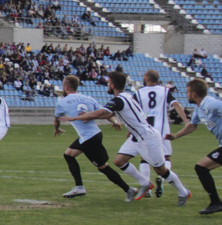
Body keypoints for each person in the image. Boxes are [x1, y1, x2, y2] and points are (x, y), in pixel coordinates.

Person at [61, 70, 191, 206]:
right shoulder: (126, 96)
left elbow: (101, 113)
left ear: (112, 85)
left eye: (108, 83)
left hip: (148, 137)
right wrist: (89, 114)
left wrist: (75, 117)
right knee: (119, 161)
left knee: (160, 170)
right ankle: (145, 183)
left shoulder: (119, 100)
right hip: (137, 136)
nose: (107, 85)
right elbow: (106, 114)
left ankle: (183, 192)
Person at [53, 75, 136, 200]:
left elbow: (56, 120)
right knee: (69, 155)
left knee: (103, 167)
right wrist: (114, 121)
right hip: (93, 135)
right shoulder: (88, 98)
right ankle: (79, 187)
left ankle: (128, 190)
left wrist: (57, 129)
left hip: (89, 139)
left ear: (65, 87)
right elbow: (104, 111)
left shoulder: (62, 102)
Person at [168, 79, 222, 215]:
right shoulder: (199, 108)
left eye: (188, 92)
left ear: (194, 93)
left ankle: (215, 203)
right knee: (201, 168)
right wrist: (175, 136)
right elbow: (192, 126)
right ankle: (215, 202)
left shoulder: (211, 104)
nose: (187, 95)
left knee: (201, 167)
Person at [135, 70, 187, 198]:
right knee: (166, 157)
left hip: (145, 128)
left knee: (145, 158)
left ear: (147, 78)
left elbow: (133, 111)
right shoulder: (165, 91)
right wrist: (186, 121)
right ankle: (161, 179)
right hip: (162, 128)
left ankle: (147, 186)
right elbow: (176, 105)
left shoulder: (138, 93)